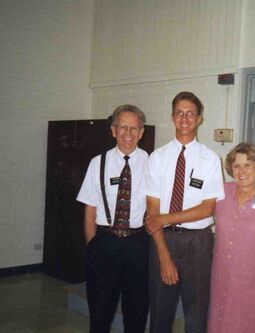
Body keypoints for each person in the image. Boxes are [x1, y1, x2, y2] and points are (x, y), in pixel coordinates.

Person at [144, 91, 225, 333]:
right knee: (160, 311)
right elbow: (152, 214)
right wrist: (164, 256)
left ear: (199, 118)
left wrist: (165, 218)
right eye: (179, 112)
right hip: (163, 240)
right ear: (172, 117)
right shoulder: (158, 158)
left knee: (197, 311)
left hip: (198, 242)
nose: (185, 118)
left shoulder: (210, 159)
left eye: (190, 113)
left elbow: (207, 208)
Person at [77, 105, 149, 333]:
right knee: (100, 314)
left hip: (138, 245)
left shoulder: (152, 163)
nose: (129, 134)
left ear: (142, 131)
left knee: (136, 313)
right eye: (123, 128)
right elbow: (90, 208)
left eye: (134, 128)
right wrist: (92, 245)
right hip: (104, 244)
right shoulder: (97, 163)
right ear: (113, 130)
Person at [207, 142, 255, 333]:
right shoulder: (221, 193)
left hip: (253, 283)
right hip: (221, 277)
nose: (242, 171)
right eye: (236, 166)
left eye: (248, 165)